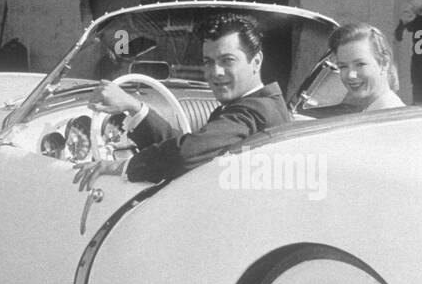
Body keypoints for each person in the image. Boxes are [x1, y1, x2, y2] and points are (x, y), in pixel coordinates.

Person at [73, 13, 290, 187]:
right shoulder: (266, 104)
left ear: (256, 61)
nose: (215, 72)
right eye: (208, 61)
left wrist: (118, 167)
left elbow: (184, 154)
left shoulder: (252, 111)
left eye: (227, 60)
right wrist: (135, 107)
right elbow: (193, 147)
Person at [311, 23, 405, 116]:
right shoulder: (373, 111)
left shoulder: (387, 117)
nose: (350, 75)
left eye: (360, 64)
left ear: (384, 64)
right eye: (343, 66)